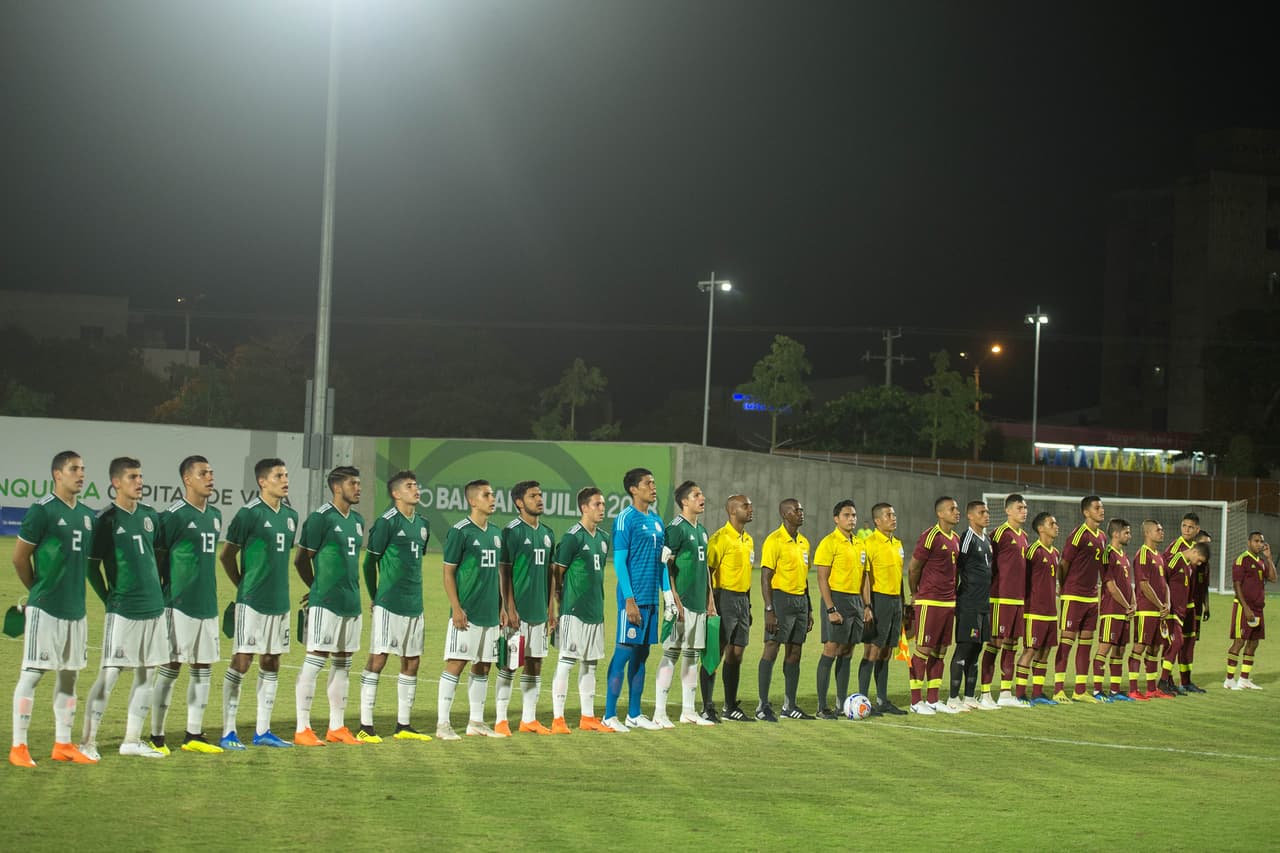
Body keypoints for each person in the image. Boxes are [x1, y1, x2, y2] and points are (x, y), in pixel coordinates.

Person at [9, 451, 98, 768]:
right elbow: (20, 557)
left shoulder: (88, 515)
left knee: (69, 677)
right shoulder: (42, 511)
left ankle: (63, 743)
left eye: (83, 469)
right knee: (32, 674)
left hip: (76, 610)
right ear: (57, 474)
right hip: (45, 608)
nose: (81, 474)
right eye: (74, 469)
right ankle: (19, 746)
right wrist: (36, 590)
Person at [80, 457, 170, 759]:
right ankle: (88, 742)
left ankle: (131, 740)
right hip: (123, 610)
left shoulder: (150, 516)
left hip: (154, 608)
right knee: (110, 674)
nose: (139, 482)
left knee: (147, 674)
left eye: (140, 476)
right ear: (116, 482)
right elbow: (91, 568)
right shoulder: (105, 519)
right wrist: (109, 598)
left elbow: (154, 556)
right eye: (132, 477)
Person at [218, 458, 298, 750]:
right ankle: (228, 731)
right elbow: (226, 555)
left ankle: (263, 730)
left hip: (280, 601)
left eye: (286, 475)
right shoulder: (248, 514)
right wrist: (242, 585)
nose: (285, 479)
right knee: (242, 660)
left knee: (271, 660)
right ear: (263, 481)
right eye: (279, 475)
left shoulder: (291, 516)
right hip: (251, 601)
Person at [149, 455, 223, 755]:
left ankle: (194, 734)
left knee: (203, 666)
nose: (210, 477)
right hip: (177, 605)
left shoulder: (216, 515)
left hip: (207, 604)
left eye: (211, 472)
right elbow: (157, 561)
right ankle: (156, 736)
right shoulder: (173, 516)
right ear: (187, 479)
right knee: (171, 665)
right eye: (203, 473)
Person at [292, 466, 365, 746]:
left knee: (344, 663)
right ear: (337, 487)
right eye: (352, 483)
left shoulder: (357, 520)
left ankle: (337, 726)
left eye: (358, 483)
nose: (358, 488)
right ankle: (302, 728)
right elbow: (301, 559)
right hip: (326, 603)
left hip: (351, 602)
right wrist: (315, 588)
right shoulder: (320, 519)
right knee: (315, 660)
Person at [358, 470, 432, 742]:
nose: (416, 489)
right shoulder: (386, 522)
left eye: (416, 484)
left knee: (412, 661)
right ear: (396, 493)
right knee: (378, 659)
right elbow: (369, 563)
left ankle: (403, 726)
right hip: (389, 603)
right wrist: (376, 597)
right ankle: (365, 726)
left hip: (415, 603)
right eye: (410, 486)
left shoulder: (423, 524)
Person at [602, 468, 672, 733]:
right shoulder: (625, 519)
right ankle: (609, 715)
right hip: (632, 599)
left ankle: (634, 713)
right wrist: (629, 600)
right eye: (648, 483)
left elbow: (662, 562)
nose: (653, 487)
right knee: (623, 653)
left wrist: (667, 597)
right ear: (633, 489)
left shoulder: (656, 520)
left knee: (642, 656)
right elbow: (619, 562)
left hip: (651, 600)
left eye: (654, 482)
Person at [437, 480, 505, 739]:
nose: (492, 498)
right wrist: (456, 608)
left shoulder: (496, 533)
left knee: (484, 666)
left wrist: (501, 607)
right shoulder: (460, 531)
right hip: (467, 613)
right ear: (472, 501)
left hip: (490, 613)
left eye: (493, 493)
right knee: (456, 663)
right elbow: (447, 572)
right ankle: (443, 724)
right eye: (487, 495)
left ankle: (475, 722)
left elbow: (498, 574)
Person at [548, 488, 613, 734]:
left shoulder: (604, 537)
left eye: (603, 504)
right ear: (584, 507)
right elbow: (557, 573)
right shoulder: (573, 537)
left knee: (591, 664)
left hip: (595, 610)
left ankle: (587, 717)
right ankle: (558, 719)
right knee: (566, 661)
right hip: (573, 610)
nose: (602, 508)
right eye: (597, 504)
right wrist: (556, 606)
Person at [496, 481, 557, 736]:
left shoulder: (548, 533)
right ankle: (501, 720)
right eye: (533, 496)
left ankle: (528, 719)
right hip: (517, 612)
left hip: (539, 611)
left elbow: (550, 574)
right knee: (509, 663)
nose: (539, 499)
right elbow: (504, 571)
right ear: (519, 502)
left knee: (535, 662)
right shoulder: (511, 531)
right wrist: (509, 607)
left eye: (540, 495)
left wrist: (550, 608)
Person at [655, 481, 716, 727]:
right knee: (671, 653)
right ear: (684, 502)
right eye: (696, 495)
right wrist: (674, 599)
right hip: (681, 603)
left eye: (701, 493)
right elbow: (665, 565)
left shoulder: (701, 530)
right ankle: (660, 712)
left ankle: (688, 711)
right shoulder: (675, 529)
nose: (702, 497)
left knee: (692, 656)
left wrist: (711, 599)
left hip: (699, 603)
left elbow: (705, 570)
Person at [813, 500, 871, 719]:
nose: (852, 519)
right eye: (847, 515)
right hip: (836, 599)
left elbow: (865, 577)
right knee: (831, 649)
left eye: (854, 515)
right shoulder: (829, 543)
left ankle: (841, 704)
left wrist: (866, 605)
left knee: (847, 651)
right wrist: (830, 608)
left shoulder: (860, 543)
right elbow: (822, 578)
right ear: (836, 519)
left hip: (855, 602)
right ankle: (821, 707)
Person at [757, 498, 813, 720]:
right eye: (796, 510)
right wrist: (769, 608)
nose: (801, 512)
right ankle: (763, 706)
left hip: (800, 601)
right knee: (772, 646)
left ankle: (789, 706)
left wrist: (808, 608)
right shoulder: (774, 540)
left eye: (801, 509)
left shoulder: (804, 542)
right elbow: (765, 577)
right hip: (780, 599)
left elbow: (805, 578)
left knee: (795, 651)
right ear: (785, 514)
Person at [906, 497, 963, 715]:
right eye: (952, 508)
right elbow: (914, 568)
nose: (956, 512)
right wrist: (915, 594)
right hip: (929, 601)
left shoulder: (955, 538)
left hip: (949, 602)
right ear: (940, 513)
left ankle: (932, 699)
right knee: (923, 650)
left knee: (940, 651)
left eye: (957, 508)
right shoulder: (930, 536)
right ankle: (915, 700)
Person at [702, 494, 755, 722]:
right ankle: (707, 707)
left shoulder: (748, 540)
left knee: (737, 653)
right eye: (746, 506)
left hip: (742, 599)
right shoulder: (719, 539)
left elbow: (748, 574)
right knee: (716, 652)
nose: (750, 509)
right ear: (733, 511)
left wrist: (749, 605)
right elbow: (707, 572)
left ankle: (730, 706)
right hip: (723, 597)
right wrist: (710, 603)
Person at [1054, 496, 1106, 703]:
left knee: (1085, 644)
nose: (1101, 510)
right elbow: (1064, 563)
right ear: (1086, 512)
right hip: (1074, 596)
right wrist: (1064, 586)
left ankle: (1080, 690)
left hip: (1092, 598)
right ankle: (1058, 689)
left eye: (1102, 507)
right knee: (1066, 642)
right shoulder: (1078, 535)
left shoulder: (1102, 536)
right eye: (1097, 507)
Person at [980, 494, 1030, 709]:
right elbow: (988, 567)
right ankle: (984, 693)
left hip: (1018, 600)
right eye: (1019, 507)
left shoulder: (1024, 536)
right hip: (1000, 598)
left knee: (1011, 644)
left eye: (1025, 507)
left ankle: (1005, 693)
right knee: (995, 644)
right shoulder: (999, 534)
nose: (1024, 511)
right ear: (1008, 511)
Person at [860, 503, 907, 716]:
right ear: (877, 521)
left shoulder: (897, 543)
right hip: (878, 600)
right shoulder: (868, 544)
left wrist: (903, 604)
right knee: (872, 650)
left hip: (895, 601)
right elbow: (865, 579)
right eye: (889, 515)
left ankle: (882, 700)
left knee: (887, 652)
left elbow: (899, 576)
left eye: (894, 514)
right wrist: (867, 605)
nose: (893, 518)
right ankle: (862, 699)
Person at [948, 500, 992, 711]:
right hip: (969, 603)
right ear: (970, 516)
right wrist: (958, 598)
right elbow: (958, 567)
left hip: (984, 604)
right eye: (982, 512)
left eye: (987, 512)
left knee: (976, 650)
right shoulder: (967, 538)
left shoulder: (987, 539)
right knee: (964, 648)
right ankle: (953, 698)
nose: (986, 515)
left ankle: (969, 697)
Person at [1014, 512, 1060, 707]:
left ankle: (1038, 693)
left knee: (1045, 652)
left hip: (1051, 612)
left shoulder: (1055, 553)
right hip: (1034, 611)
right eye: (1052, 523)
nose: (1056, 526)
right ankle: (1020, 694)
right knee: (1030, 650)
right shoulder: (1033, 551)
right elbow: (1022, 580)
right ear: (1041, 528)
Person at [1092, 519, 1136, 702]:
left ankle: (1115, 691)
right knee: (1104, 649)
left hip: (1125, 611)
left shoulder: (1124, 555)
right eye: (1126, 532)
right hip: (1112, 610)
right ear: (1116, 534)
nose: (1129, 536)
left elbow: (1128, 584)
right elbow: (1110, 585)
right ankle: (1097, 690)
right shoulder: (1108, 554)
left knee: (1119, 651)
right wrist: (1127, 605)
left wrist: (1133, 603)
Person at [1225, 532, 1276, 690]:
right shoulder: (1242, 560)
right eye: (1256, 541)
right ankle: (1229, 680)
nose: (1259, 544)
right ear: (1249, 542)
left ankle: (1244, 679)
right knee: (1239, 642)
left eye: (1261, 541)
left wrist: (1269, 558)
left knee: (1253, 643)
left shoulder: (1261, 561)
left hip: (1258, 609)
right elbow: (1237, 585)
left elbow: (1273, 578)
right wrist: (1246, 608)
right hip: (1244, 608)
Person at [1164, 513, 1208, 692]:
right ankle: (1167, 679)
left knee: (1189, 642)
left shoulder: (1198, 549)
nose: (1187, 530)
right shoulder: (1176, 547)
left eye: (1190, 527)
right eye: (1184, 526)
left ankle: (1186, 680)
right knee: (1172, 642)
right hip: (1176, 604)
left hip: (1192, 604)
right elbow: (1164, 575)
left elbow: (1203, 581)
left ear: (1197, 529)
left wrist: (1204, 603)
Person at [1131, 520, 1174, 700]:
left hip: (1159, 611)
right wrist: (1159, 604)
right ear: (1148, 533)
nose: (1162, 532)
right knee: (1139, 648)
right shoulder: (1143, 555)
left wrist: (1168, 603)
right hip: (1146, 610)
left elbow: (1164, 584)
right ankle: (1133, 689)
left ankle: (1151, 688)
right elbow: (1144, 584)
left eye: (1162, 529)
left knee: (1155, 648)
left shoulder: (1159, 555)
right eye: (1158, 530)